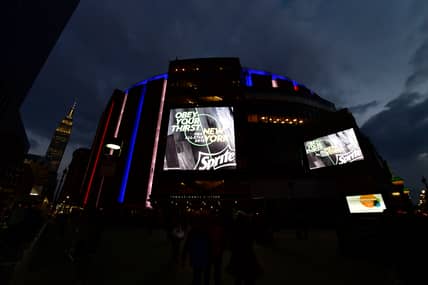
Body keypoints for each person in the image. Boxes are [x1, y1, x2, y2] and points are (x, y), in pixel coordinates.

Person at [227, 212, 263, 285]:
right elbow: (253, 239)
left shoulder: (235, 229)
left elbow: (231, 244)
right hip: (247, 254)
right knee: (248, 277)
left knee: (238, 277)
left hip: (238, 255)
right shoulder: (248, 228)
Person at [182, 215, 211, 285]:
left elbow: (187, 244)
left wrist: (184, 255)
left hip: (197, 256)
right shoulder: (206, 231)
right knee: (202, 274)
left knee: (197, 273)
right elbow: (210, 245)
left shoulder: (193, 231)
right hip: (203, 256)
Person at [207, 215, 226, 285]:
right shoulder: (220, 229)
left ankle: (209, 281)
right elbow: (223, 241)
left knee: (209, 270)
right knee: (217, 270)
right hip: (217, 252)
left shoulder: (208, 229)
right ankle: (217, 281)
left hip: (210, 252)